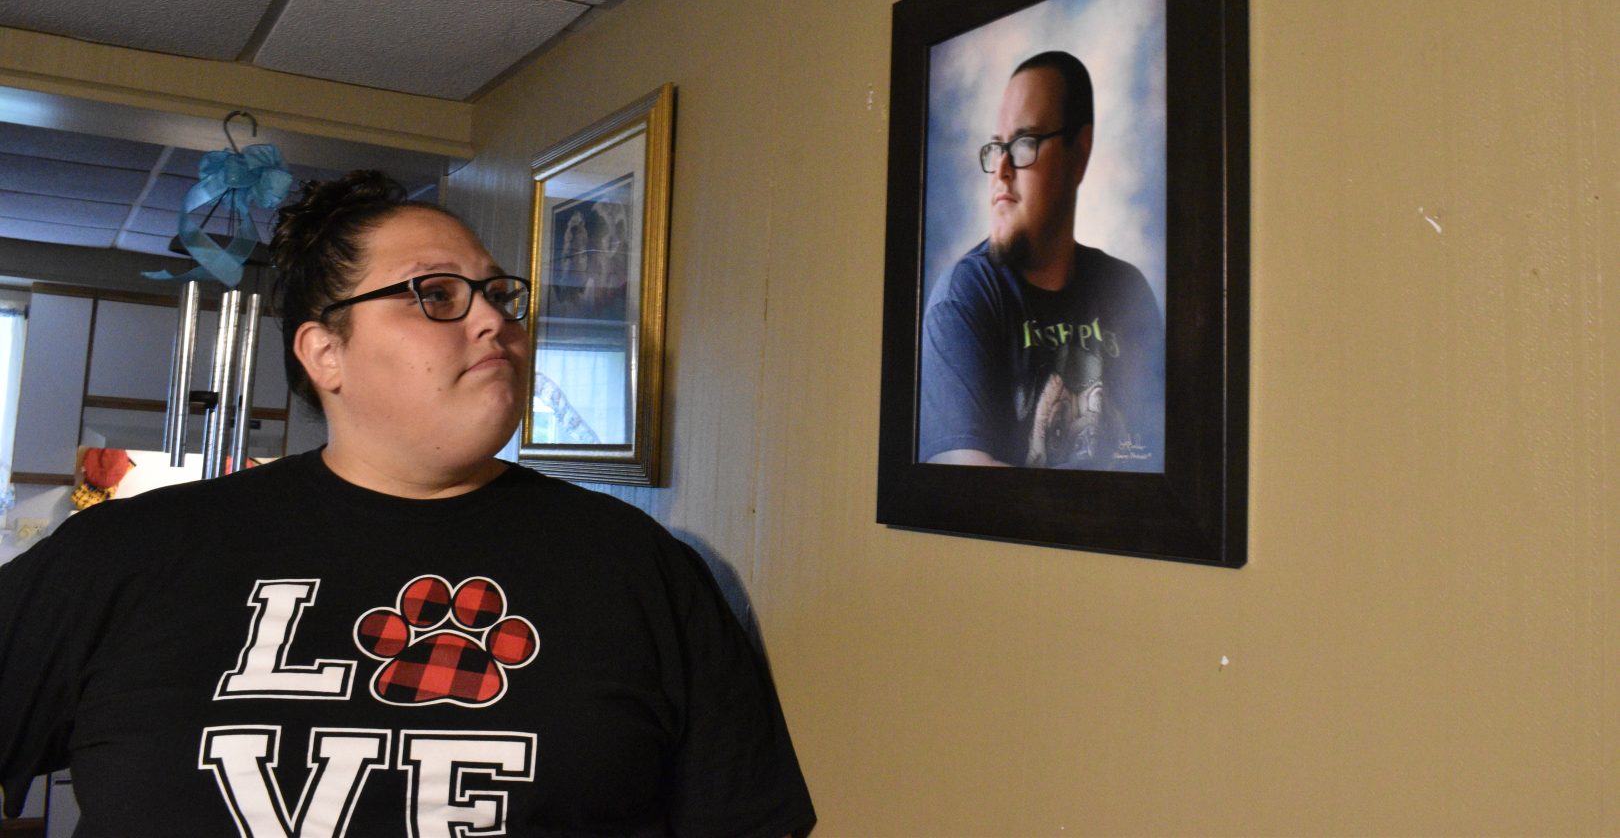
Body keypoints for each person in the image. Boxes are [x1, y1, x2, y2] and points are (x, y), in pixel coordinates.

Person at [0, 172, 814, 837]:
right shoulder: (123, 553)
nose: (495, 319)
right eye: (437, 294)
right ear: (326, 353)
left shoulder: (648, 571)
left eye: (500, 294)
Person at [920, 51, 1165, 470]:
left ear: (1079, 153)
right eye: (997, 146)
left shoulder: (1127, 290)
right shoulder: (964, 299)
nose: (1001, 170)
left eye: (1023, 143)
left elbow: (1159, 458)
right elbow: (972, 503)